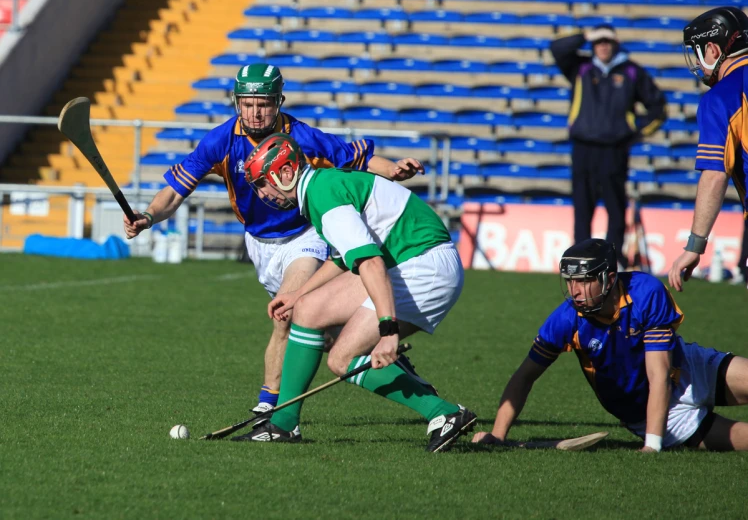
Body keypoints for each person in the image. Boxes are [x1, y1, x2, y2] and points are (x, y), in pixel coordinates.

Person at [123, 63, 425, 414]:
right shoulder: (221, 140)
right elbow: (174, 193)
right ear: (237, 102)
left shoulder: (300, 134)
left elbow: (354, 157)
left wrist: (392, 169)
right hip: (259, 245)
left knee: (285, 313)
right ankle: (404, 376)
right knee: (321, 337)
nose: (255, 112)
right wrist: (147, 217)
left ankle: (269, 410)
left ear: (278, 101)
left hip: (305, 238)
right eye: (248, 103)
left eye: (263, 103)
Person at [230, 132, 477, 452]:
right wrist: (297, 294)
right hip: (406, 259)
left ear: (285, 173)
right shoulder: (320, 185)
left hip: (424, 266)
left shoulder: (322, 193)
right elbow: (342, 257)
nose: (262, 194)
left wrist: (388, 331)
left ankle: (442, 413)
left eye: (262, 183)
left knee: (343, 358)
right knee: (307, 309)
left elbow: (371, 262)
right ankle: (284, 424)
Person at [473, 238, 748, 452]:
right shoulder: (565, 320)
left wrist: (652, 447)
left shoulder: (645, 292)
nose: (575, 291)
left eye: (584, 281)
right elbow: (524, 377)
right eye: (570, 282)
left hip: (690, 369)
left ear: (609, 279)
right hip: (650, 415)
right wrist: (497, 435)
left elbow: (659, 374)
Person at [551, 25, 667, 269]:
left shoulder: (631, 72)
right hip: (583, 148)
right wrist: (584, 35)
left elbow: (658, 108)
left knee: (615, 209)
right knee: (583, 208)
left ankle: (613, 260)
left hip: (614, 150)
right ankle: (580, 260)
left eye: (607, 41)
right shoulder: (580, 68)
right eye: (598, 42)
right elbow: (557, 48)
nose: (603, 46)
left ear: (616, 43)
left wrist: (631, 132)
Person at [669, 7, 748, 292]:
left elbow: (715, 175)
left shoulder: (722, 96)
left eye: (700, 50)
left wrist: (695, 245)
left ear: (713, 49)